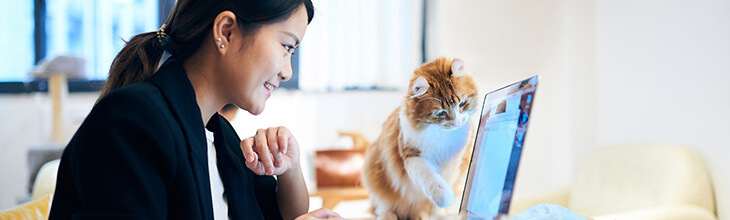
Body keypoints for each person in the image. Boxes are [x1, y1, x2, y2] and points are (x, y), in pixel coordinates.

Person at [49, 0, 342, 219]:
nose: (287, 72)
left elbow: (281, 214)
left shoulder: (221, 135)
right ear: (226, 32)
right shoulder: (130, 121)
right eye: (286, 46)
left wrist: (288, 169)